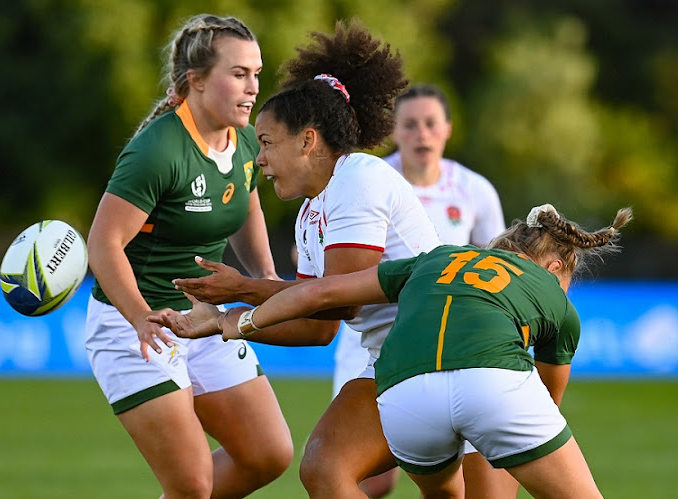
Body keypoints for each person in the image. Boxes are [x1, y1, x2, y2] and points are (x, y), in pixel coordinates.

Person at [161, 19, 458, 498]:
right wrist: (219, 321)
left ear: (308, 141)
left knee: (333, 469)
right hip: (400, 358)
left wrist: (242, 291)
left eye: (268, 142)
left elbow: (344, 301)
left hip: (446, 346)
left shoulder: (358, 174)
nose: (259, 159)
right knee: (339, 471)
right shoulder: (308, 214)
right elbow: (316, 327)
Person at [165, 204, 632, 499]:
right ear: (555, 266)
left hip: (404, 399)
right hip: (494, 387)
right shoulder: (555, 300)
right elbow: (547, 398)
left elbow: (318, 294)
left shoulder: (439, 256)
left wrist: (232, 320)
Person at [84, 14, 293, 499]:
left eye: (256, 74)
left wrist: (266, 277)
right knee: (192, 484)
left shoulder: (243, 138)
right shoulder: (158, 150)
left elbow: (244, 202)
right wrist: (139, 317)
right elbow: (103, 243)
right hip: (135, 324)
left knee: (268, 453)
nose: (252, 87)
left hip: (202, 319)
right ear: (195, 81)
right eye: (238, 74)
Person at [333, 83, 507, 497]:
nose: (421, 134)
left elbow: (499, 264)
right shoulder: (367, 179)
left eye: (431, 124)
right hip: (368, 341)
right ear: (394, 131)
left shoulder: (474, 190)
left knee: (459, 474)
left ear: (447, 129)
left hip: (444, 341)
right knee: (368, 475)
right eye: (410, 125)